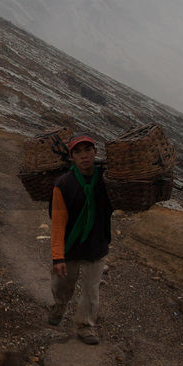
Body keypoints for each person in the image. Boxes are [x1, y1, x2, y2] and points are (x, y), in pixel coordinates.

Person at [49, 134, 113, 344]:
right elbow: (58, 221)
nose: (84, 156)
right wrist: (58, 256)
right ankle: (59, 307)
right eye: (78, 152)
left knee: (91, 289)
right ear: (72, 157)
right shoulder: (63, 184)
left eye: (88, 150)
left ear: (95, 152)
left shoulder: (107, 180)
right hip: (70, 246)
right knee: (62, 286)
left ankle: (85, 326)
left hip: (96, 245)